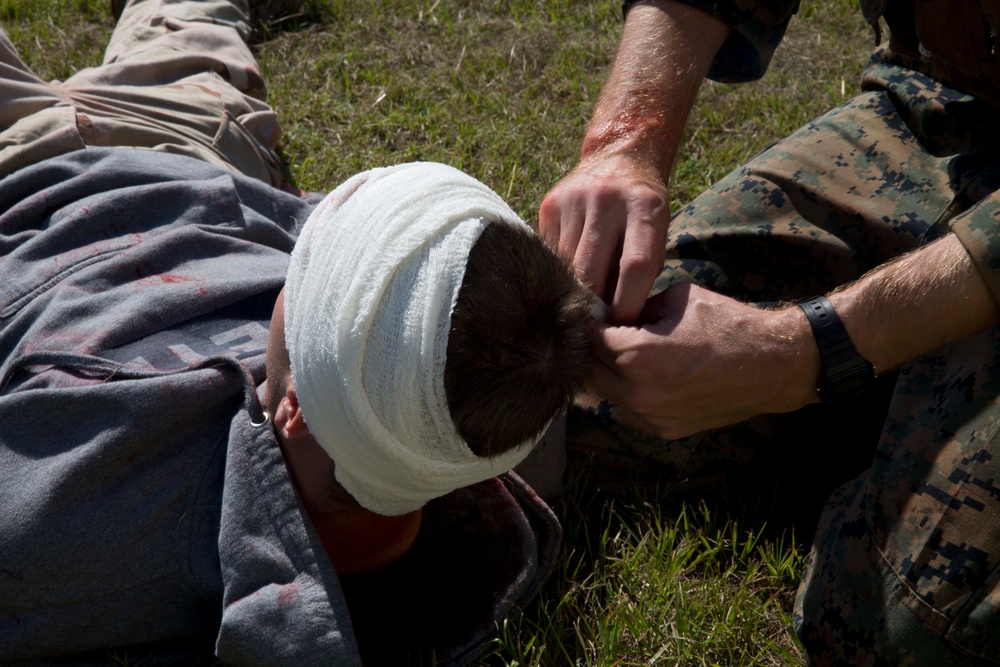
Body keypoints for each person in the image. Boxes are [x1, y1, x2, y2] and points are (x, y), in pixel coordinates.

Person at [0, 1, 594, 664]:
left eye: (311, 263)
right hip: (206, 149)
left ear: (299, 411)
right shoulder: (480, 417)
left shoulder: (70, 517)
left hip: (26, 181)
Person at [540, 0, 1000, 664]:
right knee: (596, 391)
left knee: (908, 627)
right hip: (952, 105)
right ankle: (916, 401)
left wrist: (799, 354)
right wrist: (624, 141)